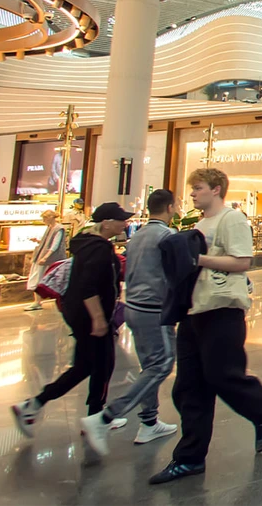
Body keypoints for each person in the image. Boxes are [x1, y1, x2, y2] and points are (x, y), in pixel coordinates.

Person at [149, 168, 262, 485]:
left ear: (216, 189)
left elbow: (242, 261)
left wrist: (197, 259)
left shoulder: (231, 220)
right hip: (194, 310)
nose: (193, 193)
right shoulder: (199, 224)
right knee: (189, 387)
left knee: (223, 375)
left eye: (199, 187)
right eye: (193, 188)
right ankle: (189, 458)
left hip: (222, 310)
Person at [12, 203, 127, 443]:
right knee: (102, 363)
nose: (125, 224)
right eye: (120, 219)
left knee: (87, 366)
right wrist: (98, 318)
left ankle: (41, 406)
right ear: (106, 223)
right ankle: (93, 418)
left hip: (80, 314)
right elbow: (88, 286)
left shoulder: (87, 244)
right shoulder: (98, 249)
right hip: (90, 317)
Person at [79, 190, 180, 452]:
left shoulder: (138, 236)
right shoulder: (167, 236)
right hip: (153, 309)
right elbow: (176, 274)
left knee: (149, 366)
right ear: (170, 207)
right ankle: (106, 417)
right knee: (162, 365)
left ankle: (149, 421)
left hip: (134, 307)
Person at [24, 209, 67, 311]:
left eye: (44, 218)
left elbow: (55, 245)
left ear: (50, 218)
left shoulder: (58, 229)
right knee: (37, 278)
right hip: (42, 256)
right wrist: (38, 241)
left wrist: (45, 257)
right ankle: (37, 301)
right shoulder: (50, 228)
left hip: (48, 259)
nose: (43, 220)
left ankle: (38, 302)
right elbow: (49, 243)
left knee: (40, 278)